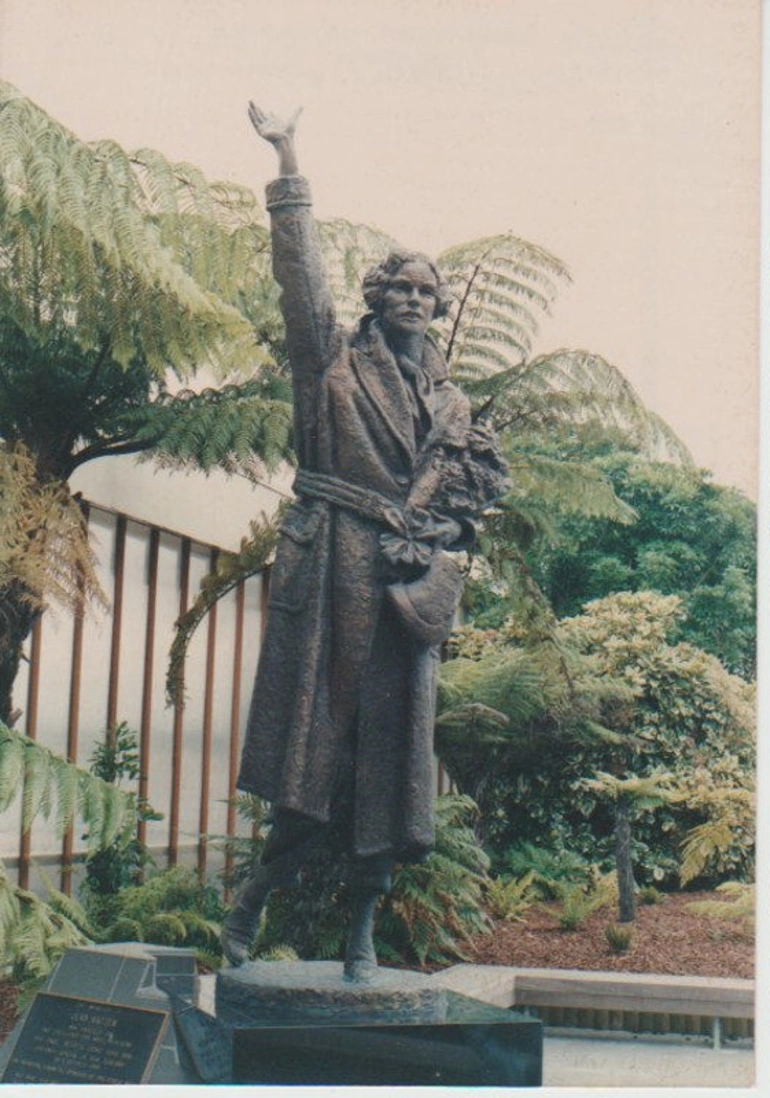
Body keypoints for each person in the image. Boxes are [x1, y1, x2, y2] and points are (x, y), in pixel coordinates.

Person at [221, 103, 509, 980]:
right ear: (377, 297)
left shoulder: (455, 407)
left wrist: (439, 531)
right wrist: (288, 160)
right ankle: (251, 901)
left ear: (438, 307)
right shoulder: (331, 365)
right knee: (317, 753)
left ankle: (361, 938)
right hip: (335, 565)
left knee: (392, 767)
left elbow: (469, 507)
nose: (415, 301)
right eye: (401, 289)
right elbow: (300, 282)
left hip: (404, 590)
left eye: (428, 293)